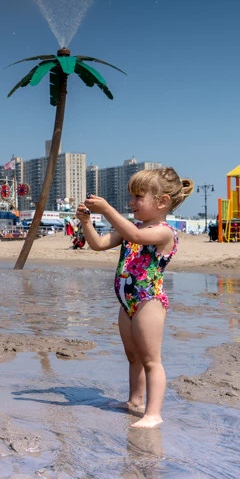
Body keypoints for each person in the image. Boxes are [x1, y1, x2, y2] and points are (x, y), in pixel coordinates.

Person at [76, 167, 194, 428]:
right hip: (127, 302)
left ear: (162, 202)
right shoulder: (133, 227)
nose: (131, 202)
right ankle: (135, 401)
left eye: (138, 197)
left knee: (151, 360)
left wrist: (107, 210)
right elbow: (98, 244)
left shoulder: (163, 231)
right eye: (131, 196)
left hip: (148, 301)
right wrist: (86, 223)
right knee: (133, 356)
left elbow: (137, 237)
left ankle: (153, 413)